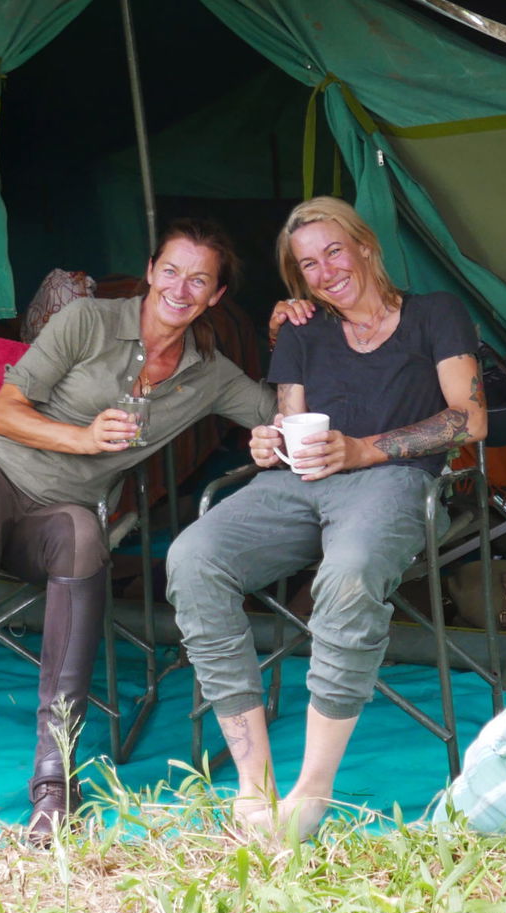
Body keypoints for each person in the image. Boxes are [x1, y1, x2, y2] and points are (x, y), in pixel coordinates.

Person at [0, 219, 274, 856]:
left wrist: (296, 341)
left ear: (216, 297)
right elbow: (3, 411)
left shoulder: (210, 375)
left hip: (58, 520)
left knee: (86, 535)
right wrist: (82, 438)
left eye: (199, 279)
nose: (180, 287)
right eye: (171, 270)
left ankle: (54, 786)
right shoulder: (87, 320)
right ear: (149, 271)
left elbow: (280, 413)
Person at [166, 196, 486, 841]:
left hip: (394, 482)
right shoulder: (304, 331)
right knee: (192, 558)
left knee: (348, 573)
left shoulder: (435, 314)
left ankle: (311, 792)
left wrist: (365, 449)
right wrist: (268, 443)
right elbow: (288, 420)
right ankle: (254, 786)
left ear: (366, 246)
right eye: (308, 264)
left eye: (335, 250)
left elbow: (470, 419)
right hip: (300, 483)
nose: (325, 270)